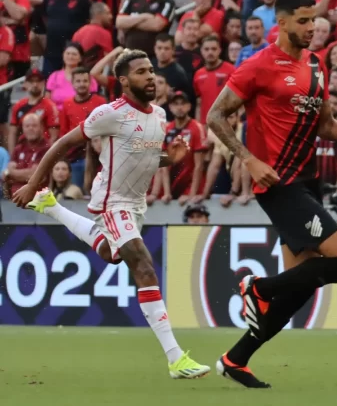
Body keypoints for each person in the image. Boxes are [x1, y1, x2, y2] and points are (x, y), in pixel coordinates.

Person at [205, 0, 337, 388]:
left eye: (314, 20)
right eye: (303, 20)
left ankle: (236, 359)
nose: (312, 27)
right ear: (281, 22)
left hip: (308, 182)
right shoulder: (258, 66)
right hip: (279, 184)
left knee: (300, 287)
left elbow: (326, 126)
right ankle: (257, 287)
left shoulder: (317, 66)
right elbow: (215, 116)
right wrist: (249, 159)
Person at [12, 49, 210, 379]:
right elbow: (62, 144)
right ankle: (175, 358)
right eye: (141, 72)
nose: (150, 77)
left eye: (151, 71)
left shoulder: (159, 116)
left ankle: (53, 208)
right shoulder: (110, 114)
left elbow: (142, 156)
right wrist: (34, 182)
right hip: (111, 200)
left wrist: (169, 159)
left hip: (136, 204)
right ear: (123, 81)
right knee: (143, 265)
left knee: (112, 253)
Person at [46, 42, 99, 110]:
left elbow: (93, 101)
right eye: (68, 53)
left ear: (80, 58)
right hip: (57, 115)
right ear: (63, 55)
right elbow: (47, 101)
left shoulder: (87, 77)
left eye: (74, 54)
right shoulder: (54, 76)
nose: (70, 57)